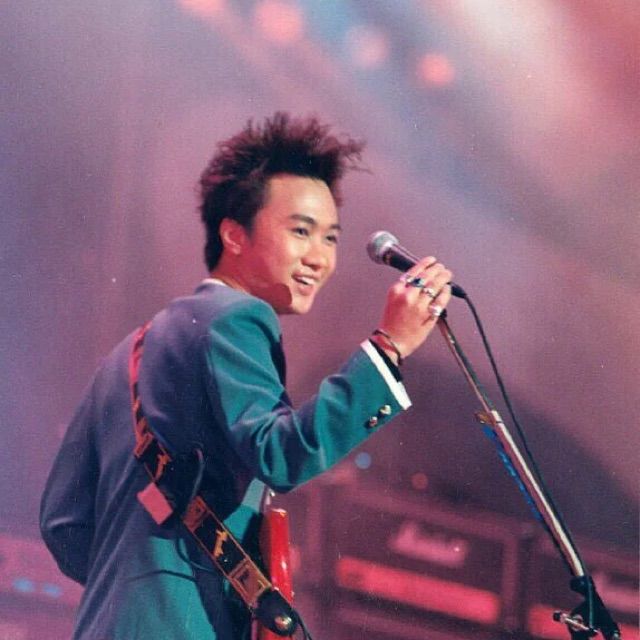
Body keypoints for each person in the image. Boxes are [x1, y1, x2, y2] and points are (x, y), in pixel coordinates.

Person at [40, 112, 453, 640]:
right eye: (300, 231)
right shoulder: (237, 317)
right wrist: (389, 347)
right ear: (234, 234)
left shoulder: (128, 352)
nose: (319, 258)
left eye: (330, 238)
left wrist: (139, 583)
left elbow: (63, 523)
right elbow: (281, 454)